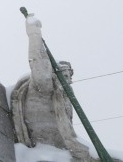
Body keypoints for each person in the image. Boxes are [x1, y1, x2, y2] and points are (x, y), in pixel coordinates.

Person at [10, 13, 93, 160]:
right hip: (46, 152)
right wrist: (34, 35)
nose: (68, 80)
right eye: (64, 76)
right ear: (54, 75)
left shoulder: (63, 96)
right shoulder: (44, 88)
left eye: (69, 76)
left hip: (63, 150)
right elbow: (38, 63)